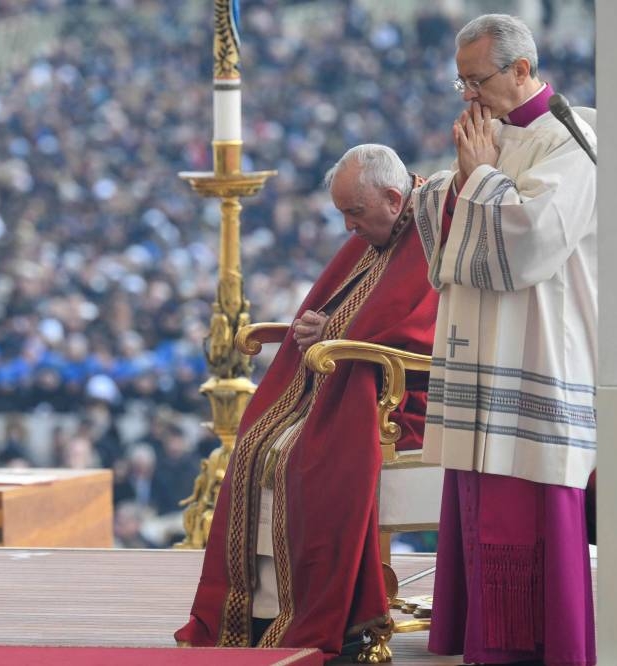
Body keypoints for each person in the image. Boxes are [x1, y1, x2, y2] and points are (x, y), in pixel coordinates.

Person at [175, 144, 439, 660]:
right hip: (345, 380)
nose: (347, 229)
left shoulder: (432, 227)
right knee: (258, 443)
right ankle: (258, 614)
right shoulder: (383, 225)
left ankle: (323, 613)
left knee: (308, 457)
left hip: (402, 403)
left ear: (391, 198)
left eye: (354, 214)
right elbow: (342, 304)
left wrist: (336, 332)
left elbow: (424, 332)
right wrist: (326, 328)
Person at [412, 14, 596, 666]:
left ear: (522, 69)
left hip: (540, 353)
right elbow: (446, 207)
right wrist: (458, 183)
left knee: (532, 506)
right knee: (480, 501)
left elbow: (532, 240)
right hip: (486, 355)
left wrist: (481, 179)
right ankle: (485, 639)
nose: (467, 95)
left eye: (477, 79)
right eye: (459, 81)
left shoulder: (574, 139)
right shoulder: (491, 135)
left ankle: (546, 645)